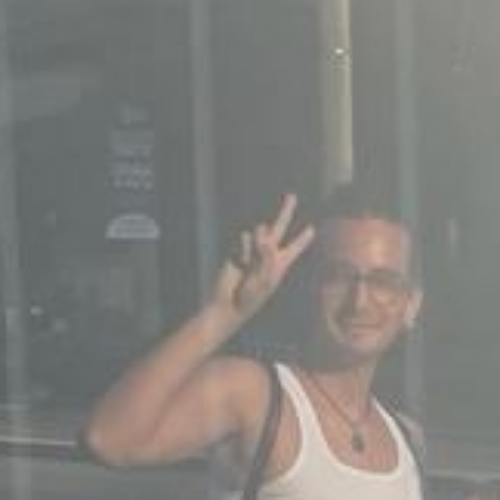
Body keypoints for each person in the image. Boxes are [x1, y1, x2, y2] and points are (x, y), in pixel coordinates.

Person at [83, 179, 426, 499]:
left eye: (384, 282)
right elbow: (109, 439)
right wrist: (225, 313)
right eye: (339, 276)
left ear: (411, 305)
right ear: (310, 286)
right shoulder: (255, 395)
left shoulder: (407, 440)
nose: (359, 301)